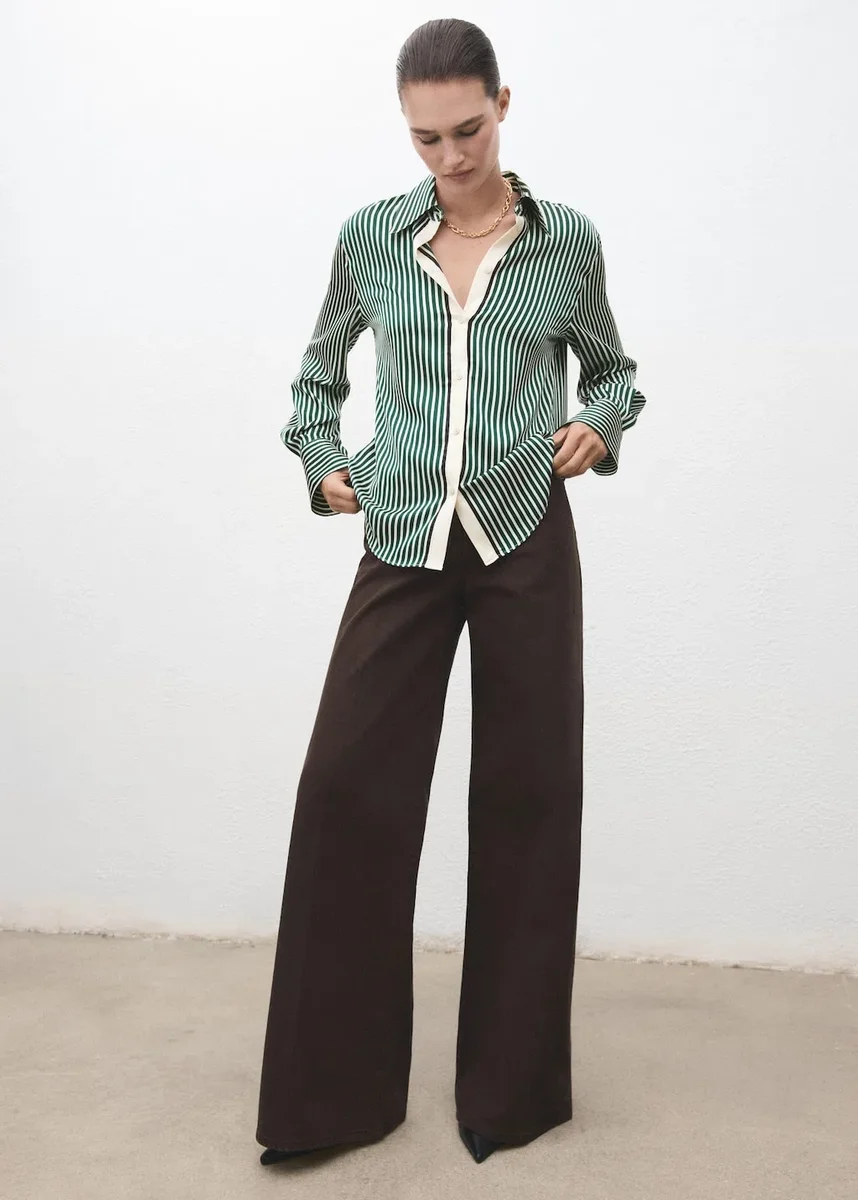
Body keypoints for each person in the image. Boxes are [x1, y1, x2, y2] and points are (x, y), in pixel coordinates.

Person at [256, 16, 646, 1168]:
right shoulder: (371, 240)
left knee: (531, 796)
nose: (450, 156)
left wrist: (598, 424)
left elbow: (616, 371)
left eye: (467, 130)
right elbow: (315, 376)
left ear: (502, 106)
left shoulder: (567, 243)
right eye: (425, 138)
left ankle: (510, 1096)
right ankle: (333, 1100)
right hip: (404, 530)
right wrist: (321, 461)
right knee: (346, 789)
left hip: (525, 530)